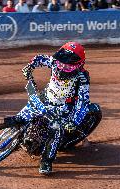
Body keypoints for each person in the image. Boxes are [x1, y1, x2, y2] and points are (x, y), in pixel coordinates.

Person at [20, 42, 92, 175]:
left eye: (67, 66)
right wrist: (30, 66)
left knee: (56, 129)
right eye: (61, 63)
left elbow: (83, 102)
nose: (62, 67)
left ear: (79, 65)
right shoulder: (54, 61)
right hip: (46, 96)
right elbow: (39, 58)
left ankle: (46, 161)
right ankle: (13, 133)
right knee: (25, 113)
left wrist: (74, 121)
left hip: (64, 107)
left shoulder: (83, 78)